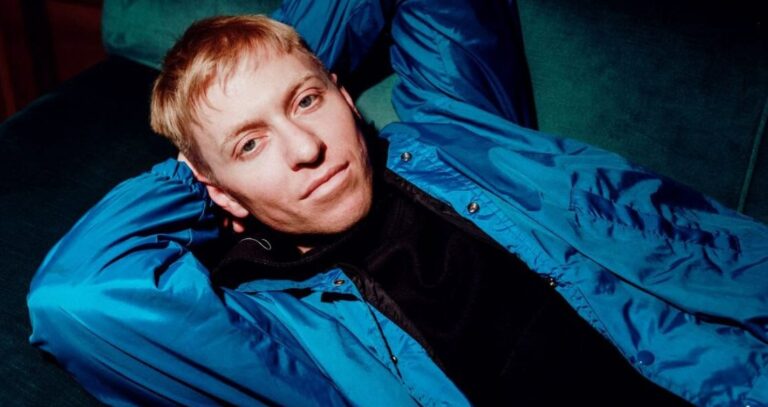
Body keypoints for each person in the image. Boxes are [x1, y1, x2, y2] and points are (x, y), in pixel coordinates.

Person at [27, 0, 768, 405]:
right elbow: (73, 295)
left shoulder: (451, 130)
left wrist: (284, 54)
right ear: (217, 188)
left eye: (307, 102)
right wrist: (200, 170)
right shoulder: (271, 329)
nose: (306, 147)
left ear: (345, 95)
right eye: (252, 144)